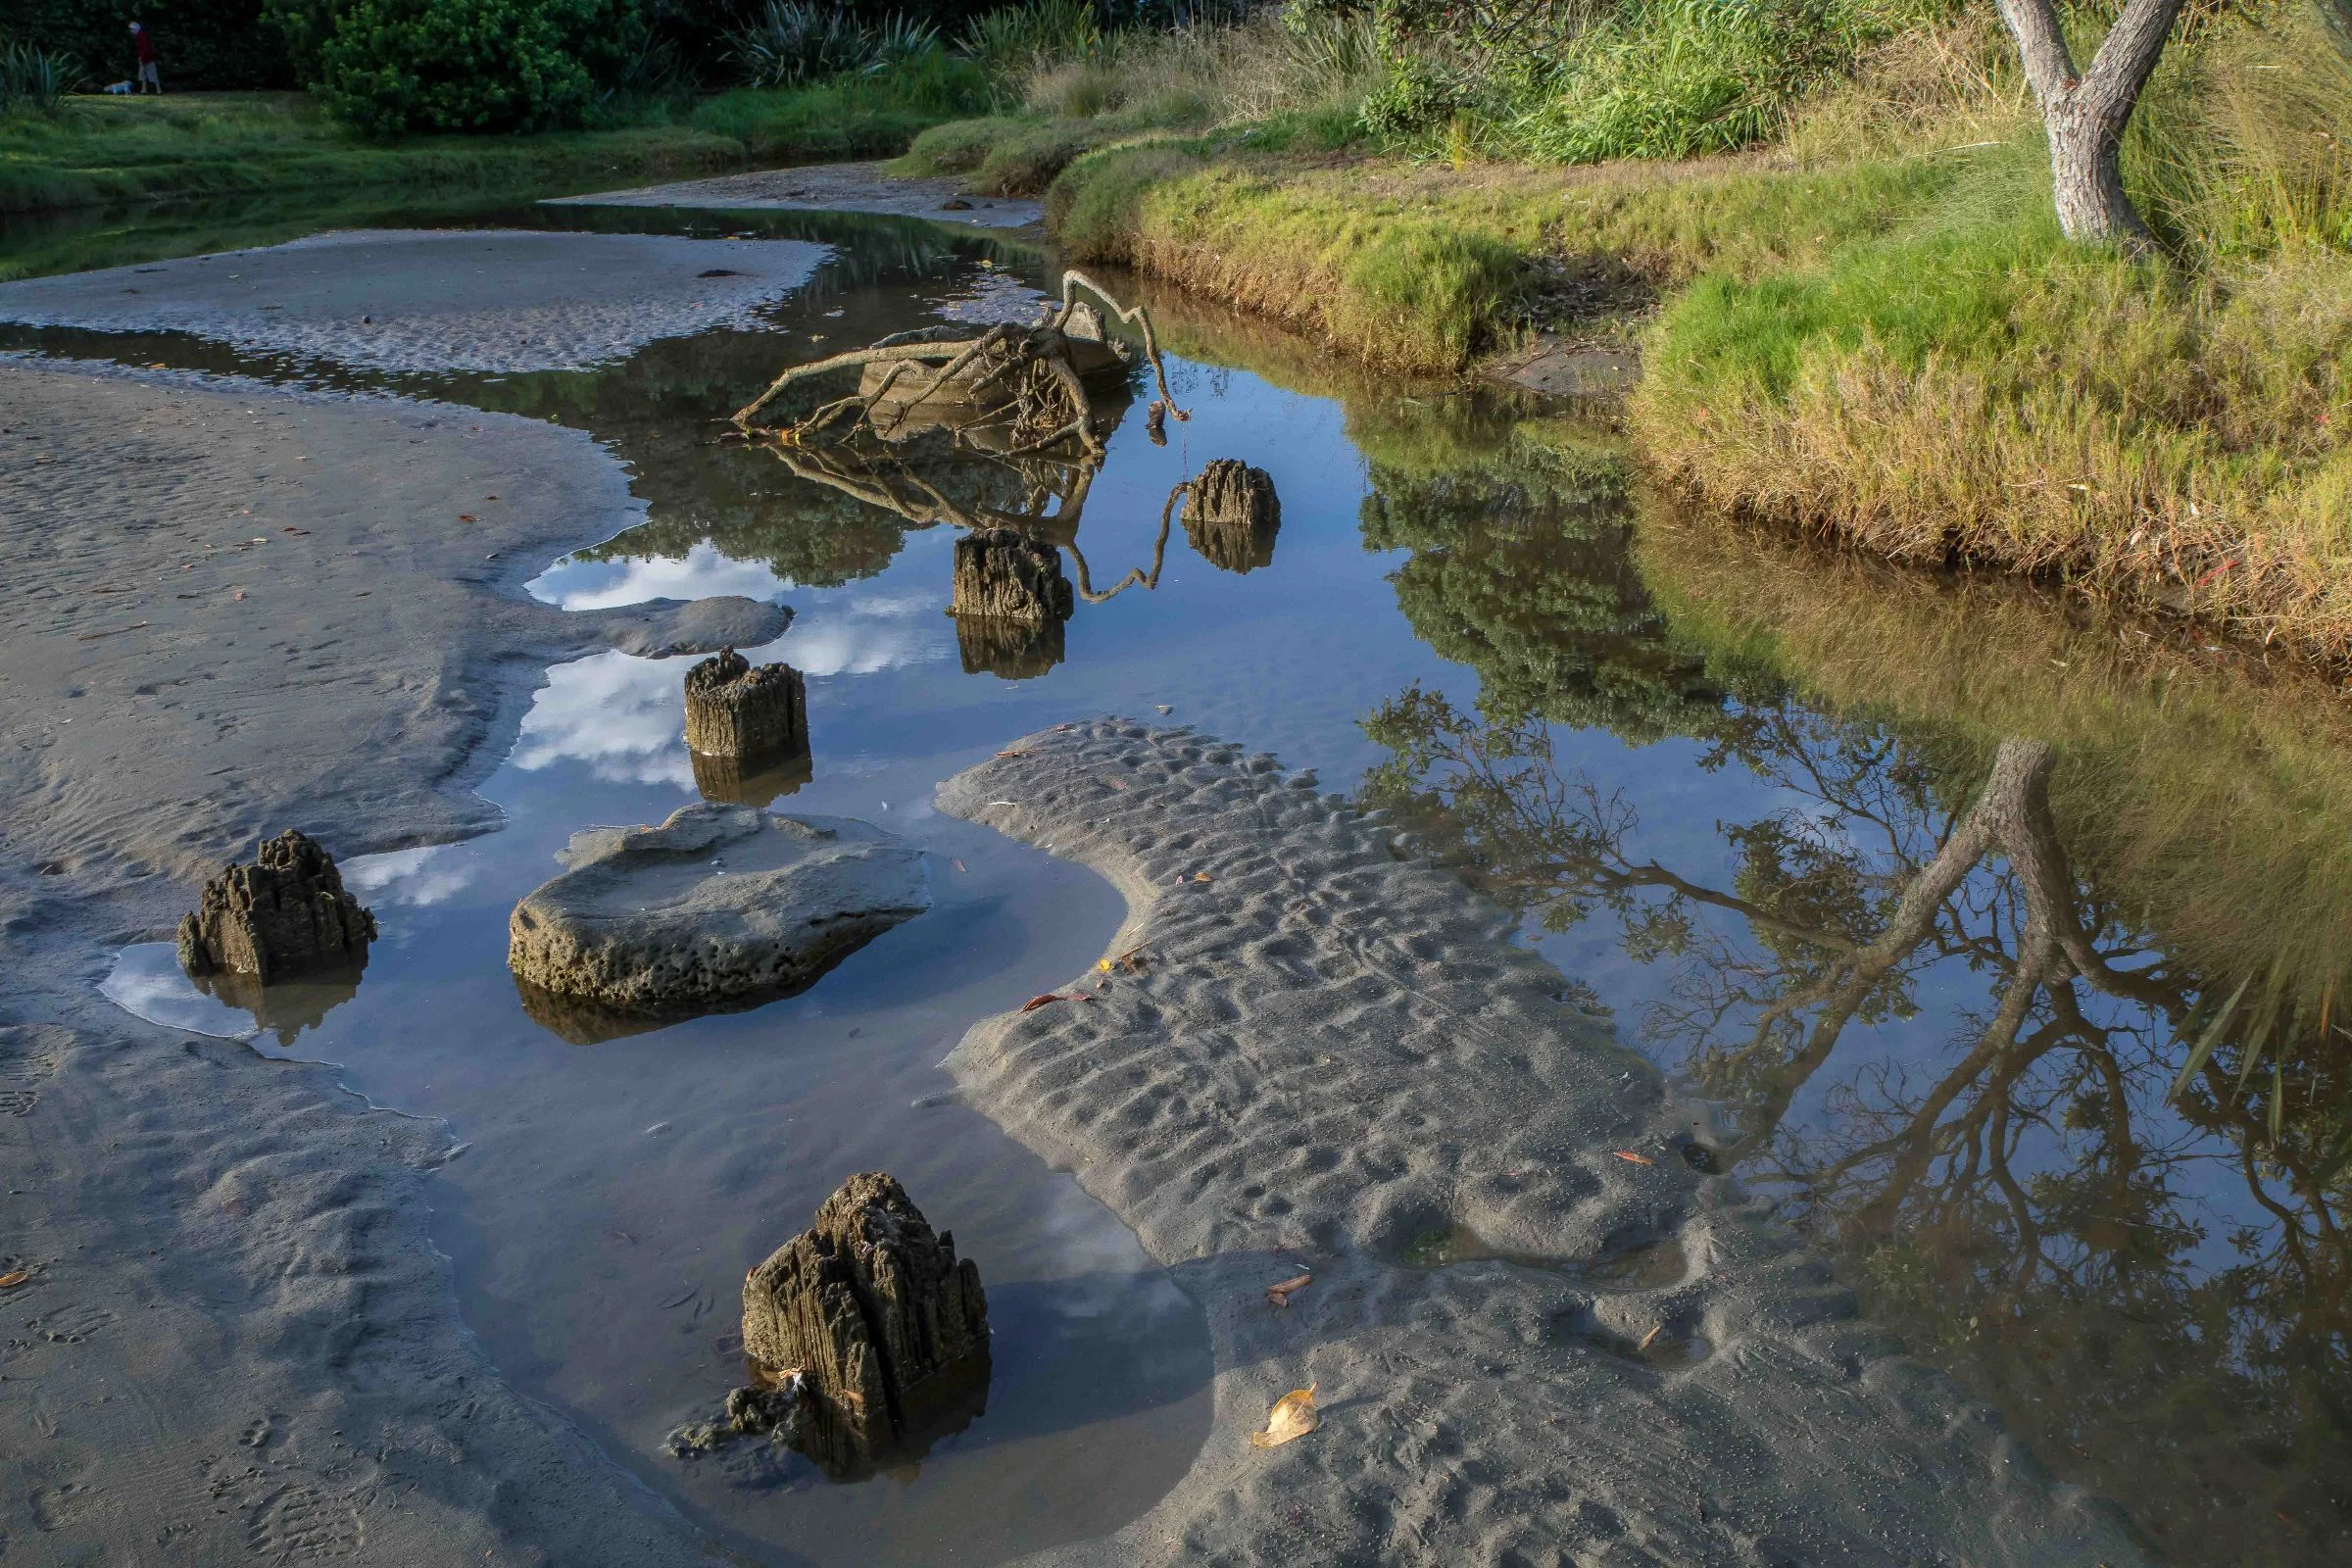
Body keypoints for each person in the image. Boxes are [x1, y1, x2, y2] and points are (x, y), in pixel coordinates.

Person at [129, 22, 161, 94]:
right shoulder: (139, 36)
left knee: (152, 74)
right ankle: (144, 90)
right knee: (143, 74)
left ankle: (158, 90)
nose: (131, 31)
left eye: (132, 29)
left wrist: (141, 57)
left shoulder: (142, 36)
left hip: (148, 58)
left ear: (135, 29)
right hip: (144, 58)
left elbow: (145, 48)